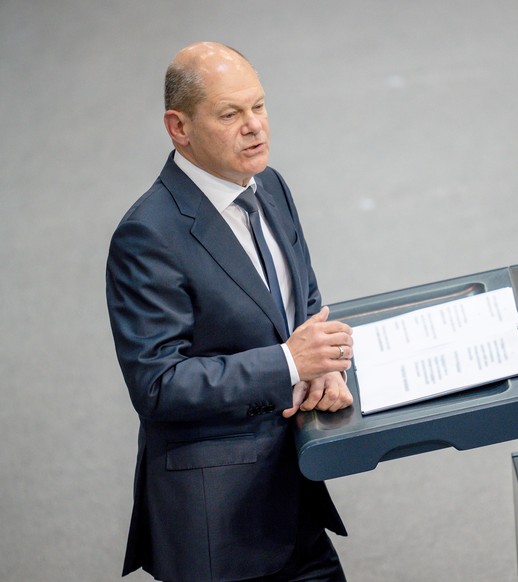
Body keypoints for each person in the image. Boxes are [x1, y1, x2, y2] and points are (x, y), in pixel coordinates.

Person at [106, 42, 355, 581]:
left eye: (259, 107)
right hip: (218, 531)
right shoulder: (148, 235)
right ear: (179, 127)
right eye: (230, 114)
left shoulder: (270, 187)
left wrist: (323, 367)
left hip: (295, 497)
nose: (255, 127)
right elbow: (159, 384)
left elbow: (301, 299)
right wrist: (290, 364)